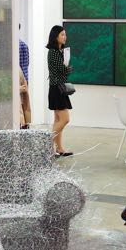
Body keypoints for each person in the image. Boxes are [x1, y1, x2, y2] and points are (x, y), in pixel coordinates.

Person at [46, 25, 73, 157]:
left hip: (57, 88)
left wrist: (66, 69)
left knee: (58, 120)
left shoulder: (58, 51)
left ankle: (59, 149)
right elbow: (62, 70)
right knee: (65, 119)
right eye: (62, 34)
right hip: (57, 89)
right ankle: (47, 144)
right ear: (55, 36)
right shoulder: (54, 52)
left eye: (65, 34)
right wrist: (67, 68)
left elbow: (63, 71)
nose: (65, 37)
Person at [18, 32, 32, 129]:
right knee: (22, 106)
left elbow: (24, 67)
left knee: (22, 106)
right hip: (21, 79)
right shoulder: (22, 45)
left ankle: (24, 128)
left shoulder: (21, 46)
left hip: (21, 79)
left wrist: (25, 83)